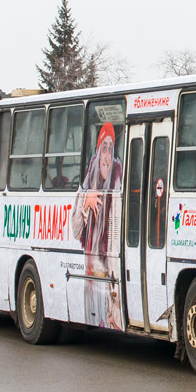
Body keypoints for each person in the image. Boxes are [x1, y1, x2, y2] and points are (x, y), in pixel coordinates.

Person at [72, 121, 124, 330]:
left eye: (111, 149)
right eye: (104, 148)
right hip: (89, 274)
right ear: (98, 150)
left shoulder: (118, 185)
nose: (107, 156)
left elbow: (115, 242)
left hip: (108, 272)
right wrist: (85, 204)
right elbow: (76, 231)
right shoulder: (86, 183)